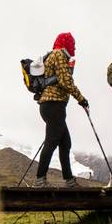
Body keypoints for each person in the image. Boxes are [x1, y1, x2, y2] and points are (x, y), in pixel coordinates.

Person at [32, 32, 89, 188]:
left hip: (49, 105)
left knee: (65, 143)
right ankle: (40, 179)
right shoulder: (59, 55)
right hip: (54, 104)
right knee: (52, 141)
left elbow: (61, 79)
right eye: (72, 43)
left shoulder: (52, 55)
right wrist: (81, 99)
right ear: (66, 43)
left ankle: (69, 180)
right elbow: (66, 81)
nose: (74, 47)